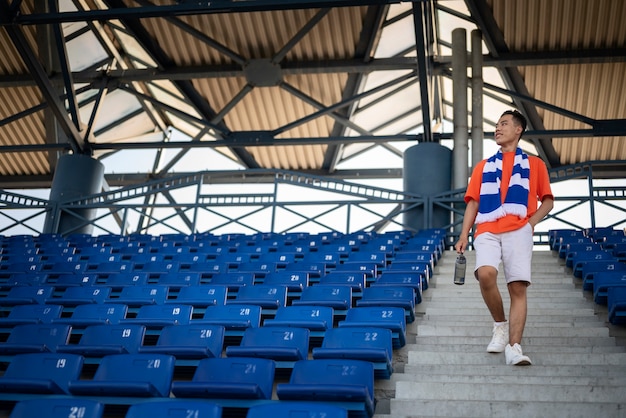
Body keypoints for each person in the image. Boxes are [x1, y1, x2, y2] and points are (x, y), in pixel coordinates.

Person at [454, 109, 554, 366]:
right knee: (486, 273)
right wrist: (464, 234)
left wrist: (529, 224)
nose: (498, 128)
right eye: (497, 125)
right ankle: (500, 325)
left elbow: (548, 201)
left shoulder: (535, 164)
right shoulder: (483, 166)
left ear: (518, 130)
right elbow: (473, 203)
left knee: (517, 287)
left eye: (504, 124)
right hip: (487, 228)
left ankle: (514, 346)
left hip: (518, 229)